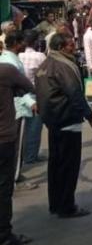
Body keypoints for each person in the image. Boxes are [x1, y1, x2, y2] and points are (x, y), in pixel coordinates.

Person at [35, 32, 92, 218]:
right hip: (67, 121)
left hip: (53, 122)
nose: (73, 48)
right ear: (60, 47)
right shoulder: (63, 66)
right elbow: (75, 94)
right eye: (69, 45)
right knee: (68, 166)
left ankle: (56, 203)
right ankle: (67, 206)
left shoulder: (45, 65)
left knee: (56, 165)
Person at [0, 60, 35, 245]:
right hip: (4, 137)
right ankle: (3, 234)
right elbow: (29, 86)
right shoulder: (6, 70)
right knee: (4, 188)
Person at [1, 31, 39, 191]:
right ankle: (15, 178)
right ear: (17, 44)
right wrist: (31, 102)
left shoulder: (8, 59)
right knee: (15, 147)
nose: (25, 45)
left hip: (12, 107)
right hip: (16, 108)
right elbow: (21, 88)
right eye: (22, 42)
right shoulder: (11, 63)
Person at [20, 31, 46, 165]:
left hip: (20, 95)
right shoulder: (39, 56)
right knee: (34, 127)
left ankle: (24, 155)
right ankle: (30, 155)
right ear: (35, 42)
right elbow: (45, 75)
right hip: (35, 94)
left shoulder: (18, 56)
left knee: (22, 127)